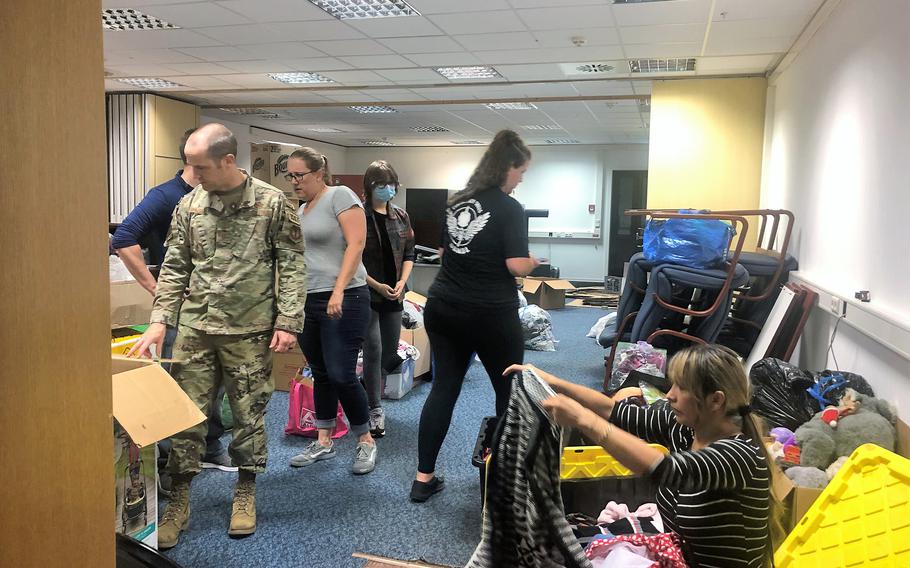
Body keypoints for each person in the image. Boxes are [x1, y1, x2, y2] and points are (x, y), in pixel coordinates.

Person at [127, 123, 305, 548]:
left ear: (228, 160)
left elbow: (293, 264)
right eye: (188, 165)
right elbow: (174, 267)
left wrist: (287, 321)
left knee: (248, 415)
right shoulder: (189, 205)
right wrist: (159, 320)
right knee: (186, 415)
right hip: (196, 328)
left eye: (200, 166)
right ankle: (180, 498)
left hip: (248, 328)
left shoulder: (272, 202)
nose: (193, 174)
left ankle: (245, 491)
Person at [506, 343, 784, 567]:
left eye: (681, 388)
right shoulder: (687, 428)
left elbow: (662, 470)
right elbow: (615, 412)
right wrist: (551, 381)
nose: (670, 395)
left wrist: (583, 421)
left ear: (716, 400)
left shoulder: (737, 456)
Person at [411, 130, 540, 503]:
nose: (521, 179)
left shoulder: (456, 202)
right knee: (508, 390)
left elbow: (442, 249)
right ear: (507, 168)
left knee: (444, 388)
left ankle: (424, 478)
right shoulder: (509, 207)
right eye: (521, 172)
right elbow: (515, 265)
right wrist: (532, 262)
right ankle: (504, 479)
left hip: (444, 307)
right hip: (490, 313)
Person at [111, 129, 236, 492]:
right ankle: (166, 464)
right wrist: (154, 287)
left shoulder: (215, 196)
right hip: (181, 311)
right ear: (193, 161)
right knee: (176, 384)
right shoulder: (165, 196)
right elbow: (123, 239)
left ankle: (210, 447)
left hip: (218, 309)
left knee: (214, 383)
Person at [285, 147, 378, 475]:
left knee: (341, 373)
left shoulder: (340, 195)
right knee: (320, 372)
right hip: (309, 300)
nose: (295, 181)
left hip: (346, 297)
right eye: (290, 176)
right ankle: (323, 440)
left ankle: (365, 439)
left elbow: (356, 244)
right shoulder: (301, 211)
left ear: (319, 173)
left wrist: (338, 289)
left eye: (300, 175)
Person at [360, 160, 415, 437]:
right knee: (373, 348)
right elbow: (351, 259)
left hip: (394, 294)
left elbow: (409, 253)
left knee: (390, 354)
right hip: (365, 292)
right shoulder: (357, 215)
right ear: (370, 187)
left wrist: (402, 282)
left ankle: (365, 384)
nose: (388, 190)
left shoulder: (401, 216)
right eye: (382, 185)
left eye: (392, 185)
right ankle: (374, 408)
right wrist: (377, 285)